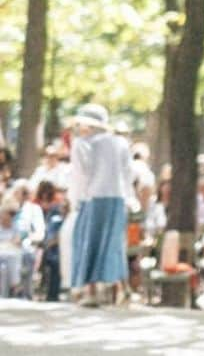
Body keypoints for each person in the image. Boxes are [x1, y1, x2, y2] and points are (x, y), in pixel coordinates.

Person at [69, 103, 132, 306]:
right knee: (114, 245)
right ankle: (123, 288)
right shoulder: (120, 143)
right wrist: (129, 198)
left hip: (93, 197)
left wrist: (76, 200)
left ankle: (91, 290)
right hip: (117, 198)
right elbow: (127, 173)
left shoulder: (82, 144)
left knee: (89, 242)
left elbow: (81, 174)